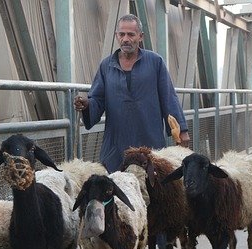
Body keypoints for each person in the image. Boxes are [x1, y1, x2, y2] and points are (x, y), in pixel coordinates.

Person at [74, 13, 190, 173]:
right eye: (122, 34)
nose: (126, 39)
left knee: (154, 187)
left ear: (140, 37)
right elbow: (98, 100)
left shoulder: (155, 62)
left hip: (150, 142)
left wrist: (181, 130)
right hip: (116, 146)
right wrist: (87, 104)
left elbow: (169, 98)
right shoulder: (106, 66)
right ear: (116, 36)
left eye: (131, 34)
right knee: (117, 189)